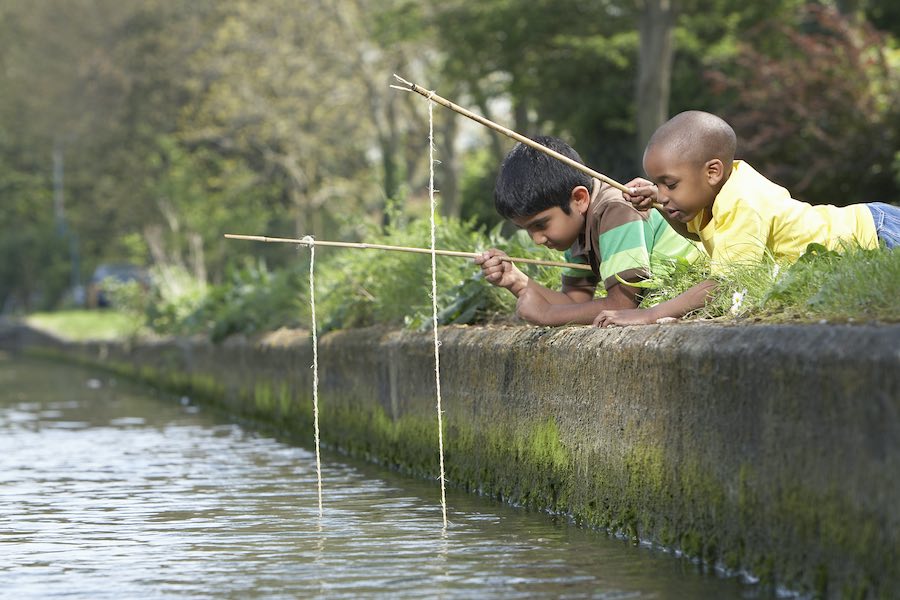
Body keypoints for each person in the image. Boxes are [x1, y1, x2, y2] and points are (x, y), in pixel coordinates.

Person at [594, 110, 900, 327]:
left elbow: (723, 283)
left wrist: (650, 314)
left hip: (877, 234)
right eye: (657, 185)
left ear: (712, 171)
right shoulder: (718, 191)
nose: (660, 194)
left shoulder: (742, 202)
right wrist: (662, 205)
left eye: (669, 184)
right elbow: (694, 232)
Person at [474, 136, 701, 326]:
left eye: (541, 224)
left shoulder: (615, 210)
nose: (537, 240)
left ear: (579, 199)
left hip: (700, 285)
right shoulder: (577, 229)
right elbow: (574, 301)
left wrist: (547, 315)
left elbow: (622, 306)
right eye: (527, 230)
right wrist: (515, 280)